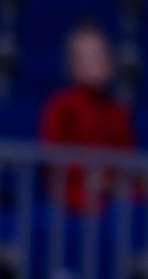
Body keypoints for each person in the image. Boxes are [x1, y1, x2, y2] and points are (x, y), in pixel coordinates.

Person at [37, 21, 135, 216]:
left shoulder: (118, 110)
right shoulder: (60, 106)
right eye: (87, 57)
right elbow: (53, 156)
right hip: (71, 194)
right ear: (71, 64)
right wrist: (89, 178)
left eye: (101, 55)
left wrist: (111, 181)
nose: (96, 62)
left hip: (112, 196)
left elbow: (127, 158)